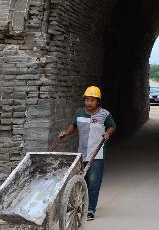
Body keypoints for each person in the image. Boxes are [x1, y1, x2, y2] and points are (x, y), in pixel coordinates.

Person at [50, 85, 117, 220]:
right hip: (82, 153)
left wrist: (107, 133)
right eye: (87, 100)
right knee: (82, 180)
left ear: (98, 101)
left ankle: (91, 209)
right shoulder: (79, 112)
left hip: (97, 153)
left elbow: (112, 126)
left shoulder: (105, 114)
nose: (89, 102)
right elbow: (73, 125)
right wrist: (66, 133)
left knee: (93, 181)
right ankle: (84, 203)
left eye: (92, 100)